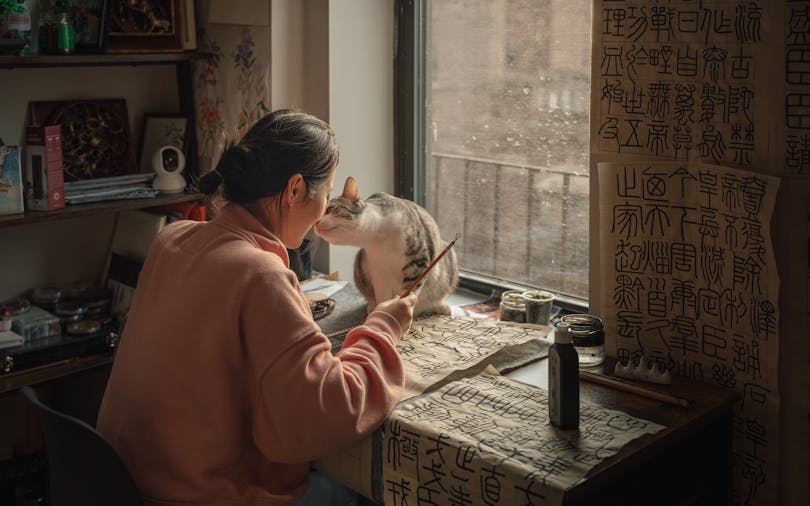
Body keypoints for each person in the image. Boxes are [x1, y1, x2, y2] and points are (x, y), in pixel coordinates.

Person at [97, 109, 417, 505]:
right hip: (199, 495)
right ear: (295, 189)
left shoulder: (173, 240)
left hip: (128, 482)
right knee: (357, 494)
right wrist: (383, 324)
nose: (322, 212)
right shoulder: (261, 274)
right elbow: (329, 410)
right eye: (326, 191)